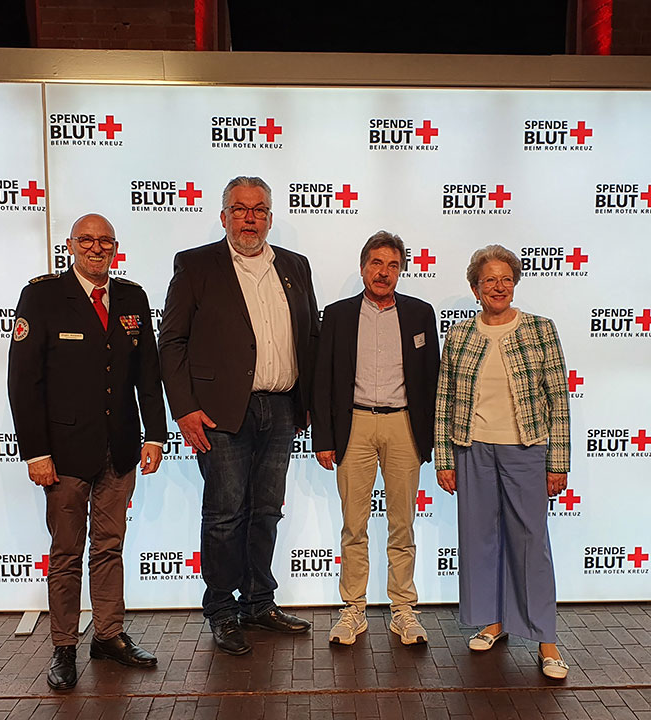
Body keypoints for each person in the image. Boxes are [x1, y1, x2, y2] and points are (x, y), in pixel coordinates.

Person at [158, 175, 320, 655]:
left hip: (282, 407)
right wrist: (184, 409)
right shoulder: (195, 264)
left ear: (270, 216)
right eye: (240, 209)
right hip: (220, 413)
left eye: (259, 209)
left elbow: (309, 336)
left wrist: (307, 402)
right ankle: (221, 609)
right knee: (225, 514)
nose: (250, 218)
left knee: (266, 511)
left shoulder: (295, 265)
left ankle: (258, 602)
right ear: (224, 215)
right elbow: (172, 342)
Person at [7, 213, 167, 690]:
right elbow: (24, 381)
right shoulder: (42, 297)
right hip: (64, 454)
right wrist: (35, 452)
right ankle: (63, 646)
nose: (96, 248)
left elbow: (148, 372)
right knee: (66, 553)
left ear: (115, 248)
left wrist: (155, 435)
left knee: (109, 546)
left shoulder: (133, 297)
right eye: (87, 240)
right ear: (71, 245)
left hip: (120, 449)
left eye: (105, 242)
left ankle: (109, 635)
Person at [434, 244, 571, 679]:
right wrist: (444, 458)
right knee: (479, 541)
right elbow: (444, 401)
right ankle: (493, 623)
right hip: (472, 450)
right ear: (475, 288)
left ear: (515, 284)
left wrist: (558, 462)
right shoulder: (460, 335)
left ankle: (546, 641)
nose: (498, 286)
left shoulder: (540, 330)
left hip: (525, 451)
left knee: (531, 544)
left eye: (506, 279)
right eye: (489, 280)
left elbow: (558, 400)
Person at [312, 231, 440, 646]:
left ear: (401, 271)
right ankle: (353, 609)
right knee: (354, 526)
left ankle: (404, 609)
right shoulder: (338, 315)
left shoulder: (420, 314)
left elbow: (432, 378)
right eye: (376, 264)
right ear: (363, 267)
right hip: (355, 426)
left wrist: (429, 438)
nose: (383, 273)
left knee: (403, 524)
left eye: (392, 265)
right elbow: (322, 378)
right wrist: (323, 437)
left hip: (403, 426)